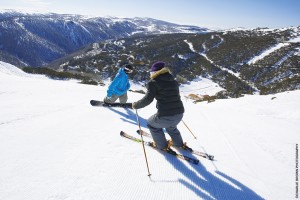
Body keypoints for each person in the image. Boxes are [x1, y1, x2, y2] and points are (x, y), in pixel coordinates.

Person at [132, 61, 185, 150]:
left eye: (152, 72)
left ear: (155, 72)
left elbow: (148, 99)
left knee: (151, 124)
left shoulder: (153, 82)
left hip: (165, 115)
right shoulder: (173, 81)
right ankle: (178, 143)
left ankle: (162, 146)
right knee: (171, 127)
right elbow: (174, 95)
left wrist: (135, 105)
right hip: (179, 113)